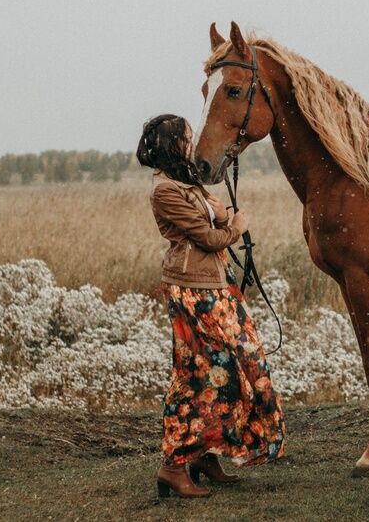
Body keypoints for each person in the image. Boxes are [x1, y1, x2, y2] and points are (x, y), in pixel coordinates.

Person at [136, 114, 285, 498]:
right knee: (199, 376)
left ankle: (205, 453)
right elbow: (209, 237)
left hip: (214, 289)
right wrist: (237, 225)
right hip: (192, 293)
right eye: (186, 139)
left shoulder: (187, 185)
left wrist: (221, 214)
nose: (192, 143)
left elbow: (213, 217)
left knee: (237, 368)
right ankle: (173, 466)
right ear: (173, 145)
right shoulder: (165, 191)